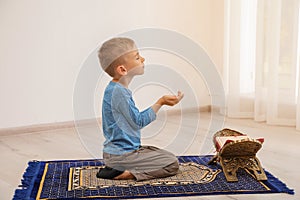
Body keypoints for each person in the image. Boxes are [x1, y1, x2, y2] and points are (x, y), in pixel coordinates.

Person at [97, 37, 184, 181]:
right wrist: (161, 102)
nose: (143, 59)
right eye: (137, 57)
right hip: (122, 155)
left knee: (156, 152)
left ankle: (121, 167)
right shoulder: (119, 92)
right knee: (172, 163)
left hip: (117, 153)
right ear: (122, 69)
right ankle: (127, 173)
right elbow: (138, 122)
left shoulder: (115, 89)